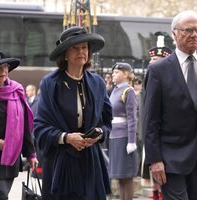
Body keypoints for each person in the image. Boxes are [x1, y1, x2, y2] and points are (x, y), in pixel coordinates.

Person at [34, 26, 113, 200]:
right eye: (75, 48)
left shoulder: (97, 83)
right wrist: (67, 137)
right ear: (65, 54)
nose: (81, 52)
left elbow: (107, 122)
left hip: (90, 162)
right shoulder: (50, 83)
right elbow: (39, 127)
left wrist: (99, 133)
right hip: (61, 164)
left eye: (84, 47)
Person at [144, 10, 197, 200]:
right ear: (174, 33)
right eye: (188, 30)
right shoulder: (158, 70)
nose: (194, 35)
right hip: (171, 160)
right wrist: (155, 160)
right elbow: (150, 119)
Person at [0, 50, 38, 200]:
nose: (4, 71)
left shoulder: (16, 91)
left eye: (6, 66)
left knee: (4, 193)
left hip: (11, 158)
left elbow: (25, 126)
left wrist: (31, 154)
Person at [141, 44, 172, 200]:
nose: (153, 63)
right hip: (151, 133)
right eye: (152, 59)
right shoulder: (149, 76)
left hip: (166, 135)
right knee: (154, 175)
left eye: (157, 60)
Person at [109, 62, 137, 200]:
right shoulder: (115, 90)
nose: (113, 74)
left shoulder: (128, 91)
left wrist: (131, 141)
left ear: (125, 74)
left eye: (117, 72)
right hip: (114, 135)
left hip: (124, 137)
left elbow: (132, 118)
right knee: (119, 176)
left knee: (126, 176)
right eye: (113, 72)